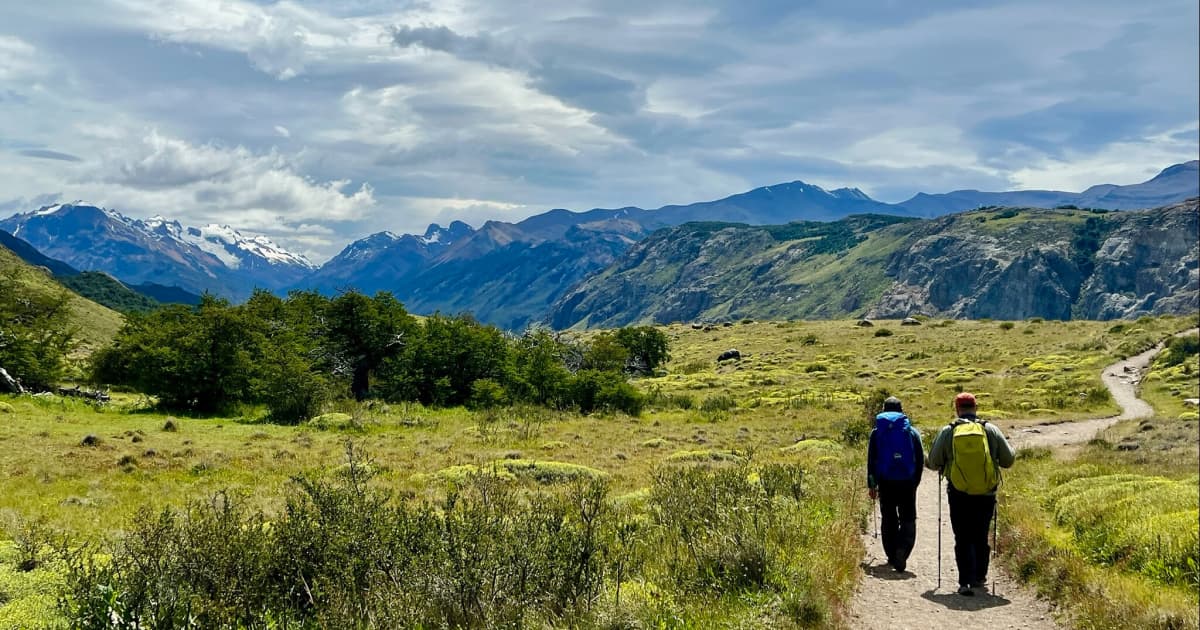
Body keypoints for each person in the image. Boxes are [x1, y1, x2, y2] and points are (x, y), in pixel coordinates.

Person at [926, 392, 1015, 596]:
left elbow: (933, 462)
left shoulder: (948, 431)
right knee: (981, 533)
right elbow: (1008, 460)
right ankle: (979, 576)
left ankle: (965, 580)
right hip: (986, 493)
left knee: (963, 535)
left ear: (957, 409)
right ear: (976, 407)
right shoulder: (990, 429)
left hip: (958, 492)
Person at [866, 396, 924, 572]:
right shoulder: (911, 432)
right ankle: (902, 551)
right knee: (908, 517)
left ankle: (891, 554)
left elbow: (872, 460)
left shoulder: (877, 432)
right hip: (907, 481)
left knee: (889, 517)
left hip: (885, 481)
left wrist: (872, 484)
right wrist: (915, 481)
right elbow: (920, 459)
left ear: (884, 410)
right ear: (901, 410)